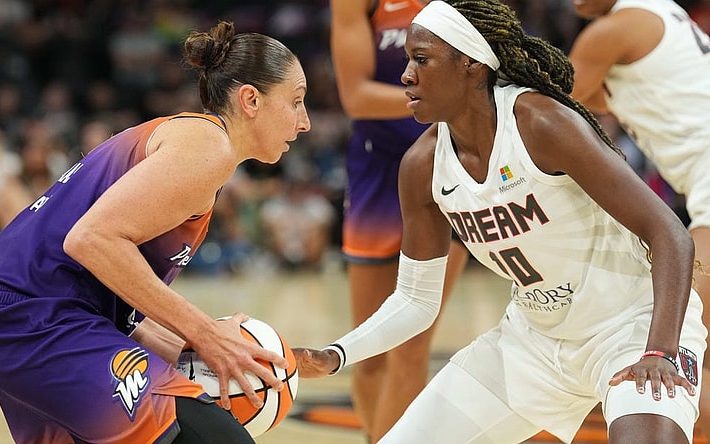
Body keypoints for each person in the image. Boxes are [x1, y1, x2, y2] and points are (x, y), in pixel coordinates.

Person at [295, 1, 707, 442]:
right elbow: (415, 300)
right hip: (531, 342)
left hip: (630, 327)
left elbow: (670, 234)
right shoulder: (421, 165)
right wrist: (336, 354)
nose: (406, 76)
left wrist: (659, 351)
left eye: (421, 59)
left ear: (471, 64)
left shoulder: (542, 123)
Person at [0, 20, 310, 444]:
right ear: (251, 99)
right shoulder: (207, 148)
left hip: (30, 315)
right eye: (296, 101)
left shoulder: (194, 142)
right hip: (34, 319)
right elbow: (91, 240)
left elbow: (108, 291)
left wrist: (191, 348)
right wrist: (206, 333)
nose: (305, 122)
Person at [567, 0, 710, 437]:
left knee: (676, 343)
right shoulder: (659, 11)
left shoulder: (609, 33)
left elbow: (548, 107)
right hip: (700, 188)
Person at [329, 1, 470, 440]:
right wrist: (440, 99)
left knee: (412, 347)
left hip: (448, 163)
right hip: (378, 171)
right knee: (369, 349)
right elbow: (356, 96)